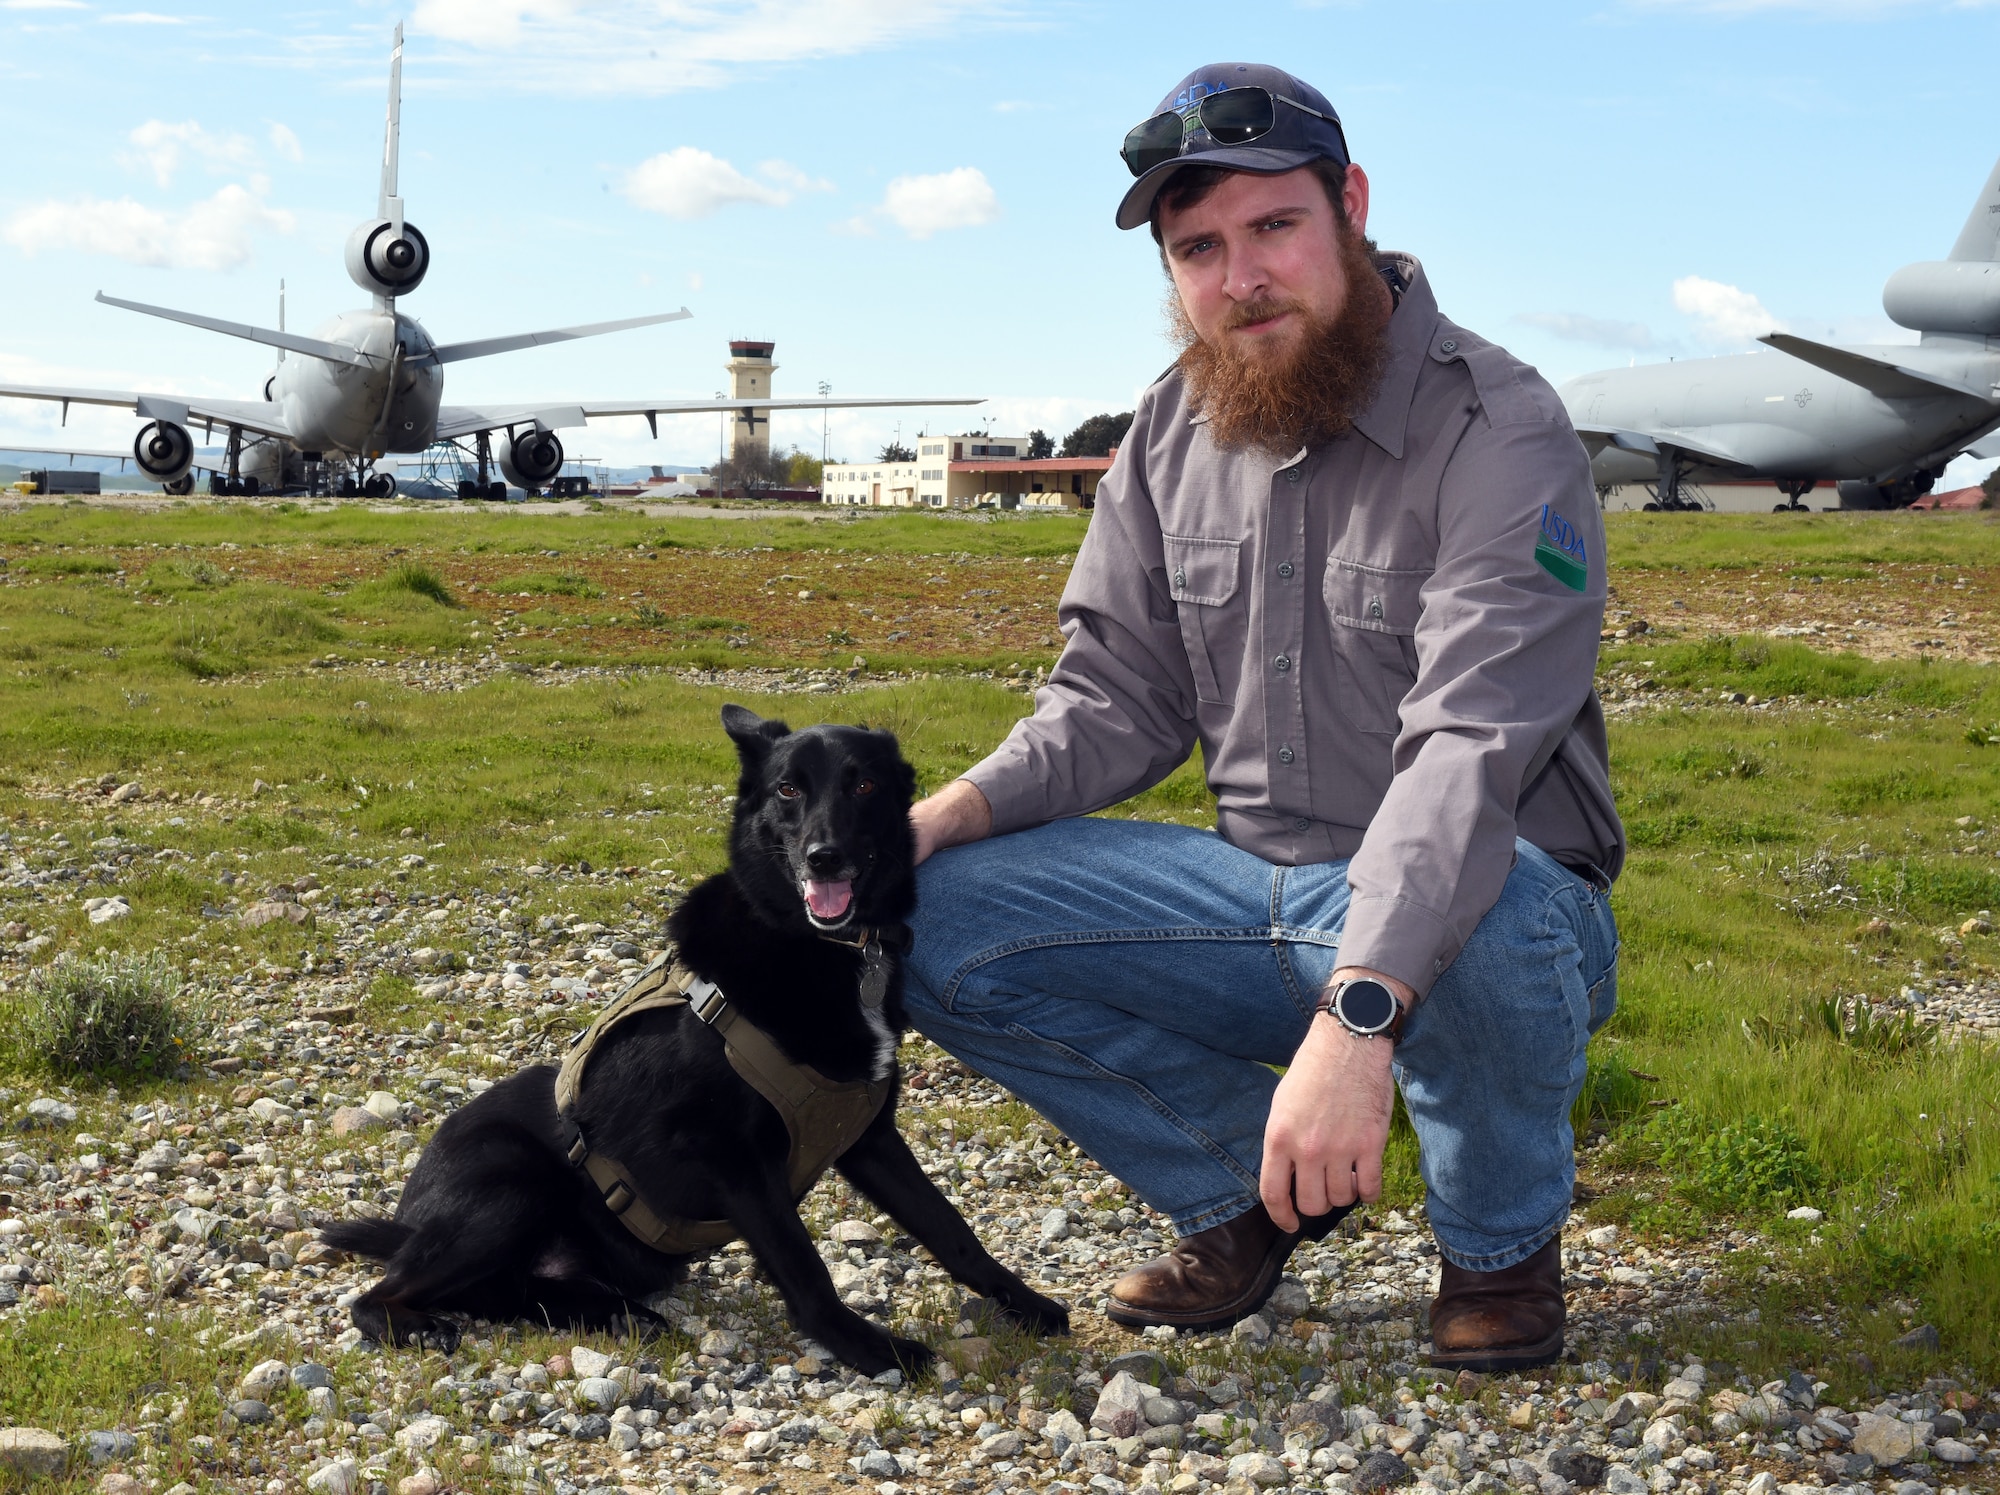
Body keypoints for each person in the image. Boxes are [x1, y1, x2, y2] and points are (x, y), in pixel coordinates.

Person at [899, 63, 1625, 1370]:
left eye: (1274, 227)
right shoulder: (1176, 426)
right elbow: (1115, 693)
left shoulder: (1504, 429)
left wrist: (1355, 1029)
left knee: (1497, 896)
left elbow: (1470, 753)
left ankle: (1499, 1244)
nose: (1242, 279)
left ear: (1347, 206)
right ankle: (1244, 1192)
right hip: (1270, 898)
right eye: (1200, 249)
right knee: (925, 905)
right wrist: (942, 816)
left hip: (1503, 909)